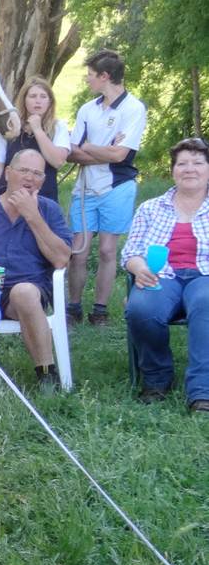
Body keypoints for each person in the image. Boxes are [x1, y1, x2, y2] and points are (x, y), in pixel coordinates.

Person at [122, 138, 209, 409]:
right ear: (173, 171)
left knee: (207, 303)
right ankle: (157, 379)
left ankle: (202, 390)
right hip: (161, 276)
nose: (189, 169)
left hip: (205, 276)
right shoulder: (150, 208)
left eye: (197, 163)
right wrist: (139, 268)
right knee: (141, 308)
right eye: (182, 163)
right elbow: (130, 252)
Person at [66, 49, 148, 326]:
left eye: (90, 75)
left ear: (105, 76)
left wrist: (88, 146)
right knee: (78, 251)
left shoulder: (133, 108)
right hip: (85, 188)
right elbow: (72, 152)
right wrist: (101, 150)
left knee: (107, 250)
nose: (87, 80)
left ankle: (99, 310)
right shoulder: (87, 109)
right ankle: (73, 308)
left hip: (117, 186)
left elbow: (120, 155)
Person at [0, 149, 72, 392]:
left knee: (23, 292)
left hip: (29, 291)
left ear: (43, 180)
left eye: (37, 173)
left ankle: (47, 375)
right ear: (7, 173)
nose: (30, 178)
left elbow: (61, 259)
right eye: (23, 170)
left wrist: (32, 216)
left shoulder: (49, 210)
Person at [0, 75, 70, 202]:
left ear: (50, 101)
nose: (38, 101)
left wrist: (38, 129)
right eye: (33, 96)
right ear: (24, 100)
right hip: (7, 200)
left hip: (42, 200)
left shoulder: (58, 127)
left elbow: (58, 161)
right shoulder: (10, 127)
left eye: (43, 96)